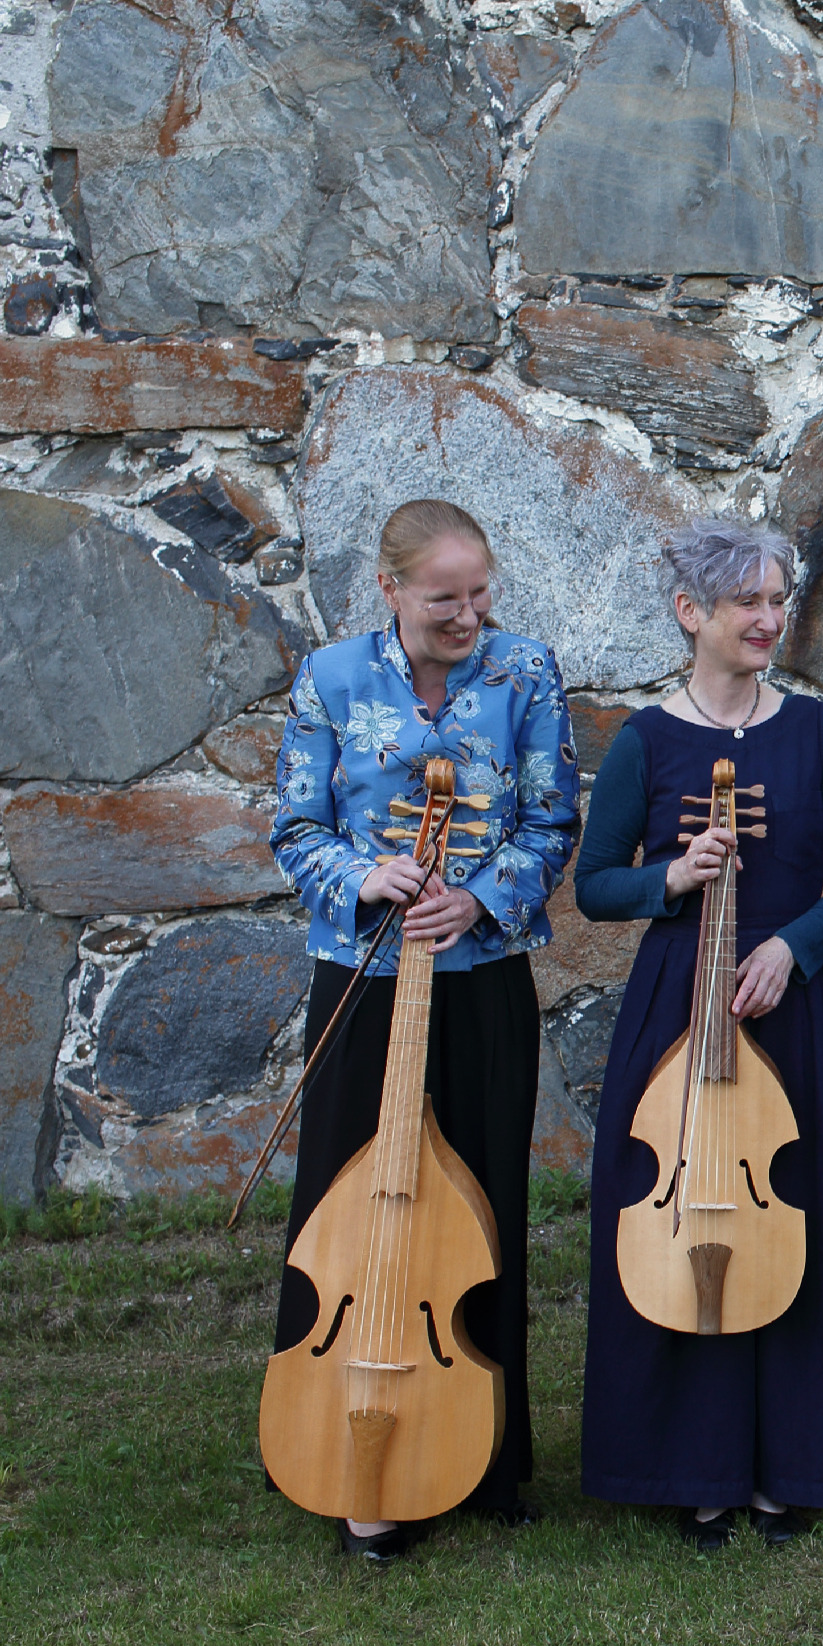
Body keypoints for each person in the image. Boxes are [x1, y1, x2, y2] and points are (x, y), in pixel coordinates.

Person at [270, 498, 579, 1562]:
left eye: (479, 593)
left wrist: (483, 895)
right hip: (361, 973)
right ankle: (325, 1419)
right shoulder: (329, 678)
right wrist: (369, 875)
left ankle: (484, 1451)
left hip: (481, 973)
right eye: (445, 598)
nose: (468, 615)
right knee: (345, 1198)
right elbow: (297, 827)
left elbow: (551, 820)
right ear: (390, 591)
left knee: (481, 1201)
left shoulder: (525, 673)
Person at [574, 521, 823, 1553]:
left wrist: (794, 946)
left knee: (793, 1220)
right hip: (679, 1008)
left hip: (786, 1007)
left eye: (776, 598)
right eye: (746, 601)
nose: (767, 618)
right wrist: (671, 877)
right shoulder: (645, 741)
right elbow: (594, 884)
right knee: (679, 1221)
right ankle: (691, 1466)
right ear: (689, 614)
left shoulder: (810, 732)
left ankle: (791, 1464)